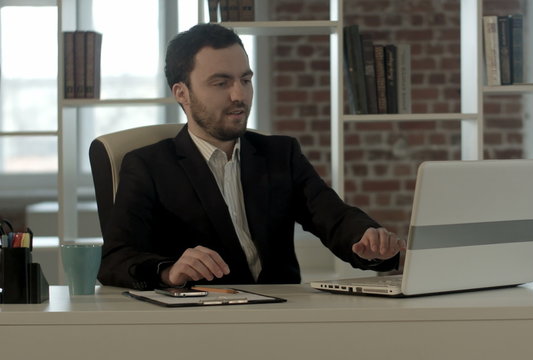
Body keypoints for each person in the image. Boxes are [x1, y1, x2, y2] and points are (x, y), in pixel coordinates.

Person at [97, 23, 405, 290]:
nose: (239, 95)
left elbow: (334, 217)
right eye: (221, 83)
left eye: (245, 80)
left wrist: (371, 241)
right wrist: (168, 270)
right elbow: (116, 259)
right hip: (198, 325)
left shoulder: (281, 154)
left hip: (281, 318)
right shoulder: (148, 165)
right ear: (182, 93)